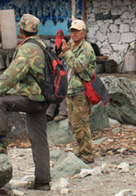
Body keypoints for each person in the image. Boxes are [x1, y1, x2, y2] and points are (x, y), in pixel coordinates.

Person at [0, 14, 51, 191]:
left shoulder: (27, 49)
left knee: (0, 103)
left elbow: (12, 74)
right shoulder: (43, 45)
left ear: (20, 31)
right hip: (45, 98)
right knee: (39, 140)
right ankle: (43, 181)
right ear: (36, 30)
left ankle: (0, 140)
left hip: (32, 98)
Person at [61, 19, 96, 164]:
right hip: (71, 90)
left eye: (76, 31)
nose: (73, 33)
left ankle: (87, 154)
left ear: (84, 33)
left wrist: (67, 53)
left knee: (81, 124)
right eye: (72, 31)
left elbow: (79, 67)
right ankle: (82, 151)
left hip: (81, 91)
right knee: (73, 124)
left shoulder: (86, 48)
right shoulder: (74, 47)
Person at [46, 29, 68, 122]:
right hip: (64, 74)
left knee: (64, 90)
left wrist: (66, 53)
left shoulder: (72, 52)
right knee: (55, 88)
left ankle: (63, 112)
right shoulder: (58, 43)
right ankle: (49, 113)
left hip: (73, 80)